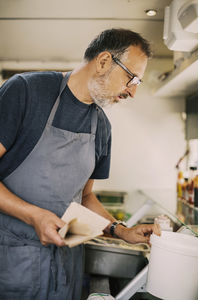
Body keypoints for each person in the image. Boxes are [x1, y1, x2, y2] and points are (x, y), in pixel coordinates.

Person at [0, 28, 160, 300]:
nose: (132, 92)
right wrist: (33, 216)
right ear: (103, 61)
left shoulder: (103, 128)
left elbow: (84, 197)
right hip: (14, 263)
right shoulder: (25, 92)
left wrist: (121, 231)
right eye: (131, 78)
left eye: (137, 83)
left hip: (66, 269)